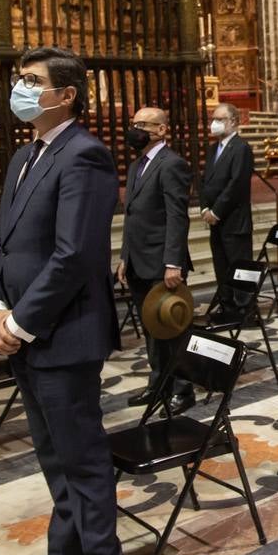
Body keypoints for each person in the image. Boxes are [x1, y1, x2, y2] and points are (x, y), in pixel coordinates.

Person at [0, 47, 127, 555]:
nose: (19, 88)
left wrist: (20, 322)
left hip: (63, 331)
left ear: (65, 95)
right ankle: (67, 549)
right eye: (19, 79)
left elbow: (73, 256)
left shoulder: (85, 155)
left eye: (30, 81)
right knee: (50, 452)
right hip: (21, 328)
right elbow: (1, 242)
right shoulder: (24, 156)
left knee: (82, 455)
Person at [116, 106, 194, 411]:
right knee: (151, 328)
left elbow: (177, 216)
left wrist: (174, 262)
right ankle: (159, 384)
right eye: (134, 124)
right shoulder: (137, 166)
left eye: (143, 125)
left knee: (173, 329)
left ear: (162, 130)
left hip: (162, 263)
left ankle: (183, 389)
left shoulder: (172, 164)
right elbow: (131, 215)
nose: (136, 129)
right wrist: (125, 256)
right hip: (138, 260)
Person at [200, 102, 254, 317]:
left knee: (239, 268)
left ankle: (246, 310)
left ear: (233, 121)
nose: (215, 123)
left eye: (220, 119)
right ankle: (227, 306)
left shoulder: (241, 148)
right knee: (221, 266)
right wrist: (204, 207)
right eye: (213, 119)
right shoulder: (214, 149)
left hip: (233, 219)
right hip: (215, 220)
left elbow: (237, 184)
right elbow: (204, 181)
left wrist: (216, 211)